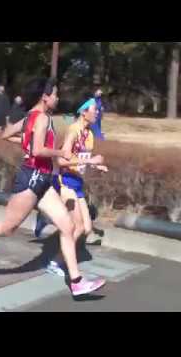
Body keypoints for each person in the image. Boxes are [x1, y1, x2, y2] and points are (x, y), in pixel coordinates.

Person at [0, 78, 106, 297]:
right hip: (30, 180)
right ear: (45, 97)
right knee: (6, 228)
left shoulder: (30, 116)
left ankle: (76, 282)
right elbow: (38, 150)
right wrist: (60, 153)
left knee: (67, 227)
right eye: (55, 94)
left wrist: (28, 143)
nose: (57, 98)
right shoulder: (40, 119)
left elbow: (7, 135)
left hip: (44, 182)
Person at [44, 98, 109, 277]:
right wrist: (89, 160)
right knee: (77, 227)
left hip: (77, 182)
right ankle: (56, 261)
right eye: (94, 110)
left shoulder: (89, 134)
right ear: (83, 112)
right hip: (65, 181)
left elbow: (81, 159)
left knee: (86, 229)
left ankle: (61, 256)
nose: (97, 113)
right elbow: (62, 160)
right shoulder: (73, 130)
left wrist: (95, 165)